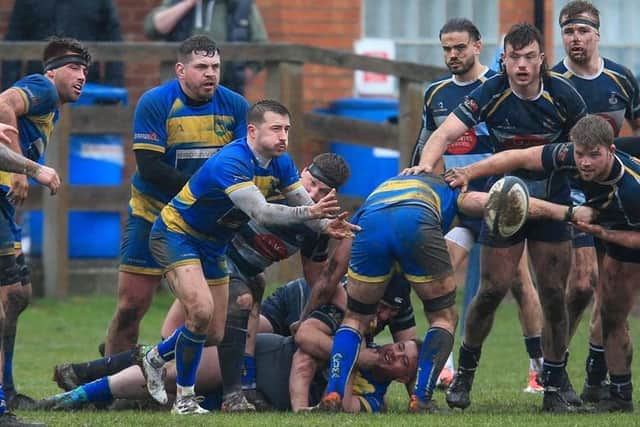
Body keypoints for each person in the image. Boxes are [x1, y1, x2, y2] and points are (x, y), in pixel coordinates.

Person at [404, 23, 588, 412]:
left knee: (554, 295)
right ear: (503, 60)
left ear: (542, 60)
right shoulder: (489, 91)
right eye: (514, 58)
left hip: (551, 199)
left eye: (529, 57)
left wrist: (581, 197)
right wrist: (423, 167)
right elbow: (441, 134)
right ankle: (465, 375)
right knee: (490, 291)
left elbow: (585, 152)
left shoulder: (564, 96)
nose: (521, 66)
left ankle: (555, 381)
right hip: (503, 200)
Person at [139, 99, 356, 415]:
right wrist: (311, 212)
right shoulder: (233, 161)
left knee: (213, 332)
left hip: (214, 244)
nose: (283, 136)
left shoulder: (280, 162)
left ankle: (154, 358)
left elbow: (300, 200)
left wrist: (325, 224)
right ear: (252, 131)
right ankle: (185, 401)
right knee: (200, 312)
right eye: (276, 129)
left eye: (287, 129)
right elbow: (262, 213)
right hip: (177, 233)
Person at [315, 171, 594, 414]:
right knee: (443, 318)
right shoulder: (453, 189)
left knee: (354, 319)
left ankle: (334, 392)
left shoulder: (386, 186)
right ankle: (421, 399)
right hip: (416, 220)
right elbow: (501, 201)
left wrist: (305, 317)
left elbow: (331, 271)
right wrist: (567, 213)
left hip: (371, 222)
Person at [444, 114, 640, 413]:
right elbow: (519, 156)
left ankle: (616, 395)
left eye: (594, 155)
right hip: (603, 221)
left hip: (629, 234)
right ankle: (611, 393)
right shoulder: (569, 156)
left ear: (611, 151)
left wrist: (603, 232)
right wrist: (468, 172)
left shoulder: (632, 189)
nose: (584, 162)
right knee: (606, 310)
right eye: (580, 154)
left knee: (613, 311)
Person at [410, 17, 544, 393]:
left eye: (459, 47)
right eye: (446, 49)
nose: (453, 55)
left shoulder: (499, 87)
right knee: (438, 278)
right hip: (459, 204)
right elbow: (427, 147)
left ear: (478, 46)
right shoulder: (436, 93)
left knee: (519, 283)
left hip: (499, 203)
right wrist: (425, 185)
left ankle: (539, 370)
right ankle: (446, 368)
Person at [103, 35, 250, 357]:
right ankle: (111, 377)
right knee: (131, 306)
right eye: (201, 67)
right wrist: (204, 194)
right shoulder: (156, 102)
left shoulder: (235, 106)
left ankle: (155, 366)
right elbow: (151, 168)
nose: (210, 73)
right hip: (151, 214)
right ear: (180, 70)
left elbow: (244, 166)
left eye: (215, 66)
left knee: (211, 329)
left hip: (202, 224)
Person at [552, 0, 640, 404]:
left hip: (616, 196)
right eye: (568, 32)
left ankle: (595, 377)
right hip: (571, 192)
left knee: (609, 293)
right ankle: (552, 368)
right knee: (584, 283)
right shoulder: (552, 81)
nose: (576, 39)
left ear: (597, 34)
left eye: (583, 31)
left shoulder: (622, 79)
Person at [0, 36, 91, 426]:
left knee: (17, 295)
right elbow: (2, 102)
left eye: (85, 70)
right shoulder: (41, 88)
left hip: (5, 212)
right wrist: (26, 167)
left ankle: (7, 389)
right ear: (52, 71)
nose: (82, 77)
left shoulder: (52, 109)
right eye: (74, 68)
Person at [36, 331, 419, 414]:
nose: (393, 354)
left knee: (146, 403)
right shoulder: (355, 334)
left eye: (403, 360)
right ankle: (67, 399)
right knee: (168, 375)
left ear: (404, 379)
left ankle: (97, 396)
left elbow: (347, 407)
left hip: (261, 397)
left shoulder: (376, 400)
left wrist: (350, 364)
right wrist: (355, 353)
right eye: (398, 347)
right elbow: (304, 340)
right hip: (264, 356)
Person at [144, 0, 269, 94]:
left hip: (226, 89)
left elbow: (262, 46)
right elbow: (154, 28)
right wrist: (188, 3)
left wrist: (242, 76)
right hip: (181, 89)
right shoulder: (178, 1)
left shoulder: (242, 4)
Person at [1, 0, 123, 89]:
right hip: (38, 89)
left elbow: (115, 46)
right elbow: (14, 41)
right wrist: (10, 90)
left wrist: (112, 90)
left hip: (87, 89)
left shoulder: (100, 3)